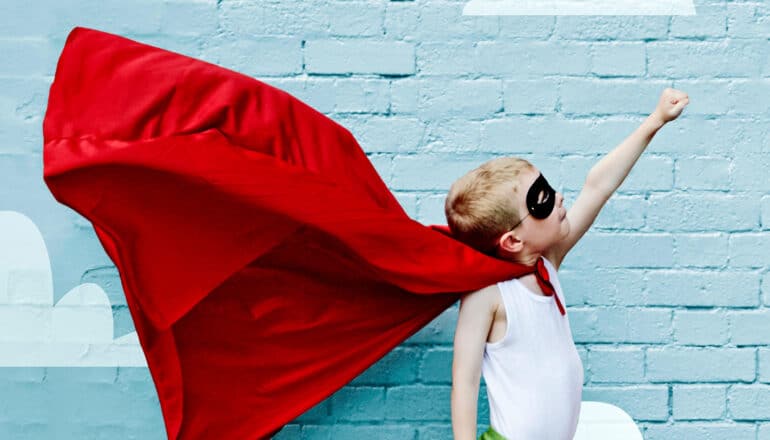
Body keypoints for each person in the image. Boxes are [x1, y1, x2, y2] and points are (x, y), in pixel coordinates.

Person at [447, 88, 690, 440]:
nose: (558, 197)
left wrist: (654, 122)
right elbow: (464, 383)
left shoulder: (546, 263)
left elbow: (597, 187)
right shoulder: (488, 295)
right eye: (541, 201)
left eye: (548, 186)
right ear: (513, 240)